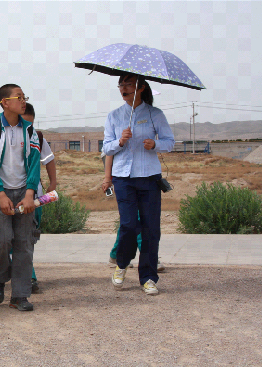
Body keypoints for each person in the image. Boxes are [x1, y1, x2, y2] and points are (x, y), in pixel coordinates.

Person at [103, 73, 175, 296]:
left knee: (151, 228)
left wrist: (155, 144)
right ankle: (122, 264)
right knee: (128, 225)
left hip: (149, 178)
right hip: (123, 178)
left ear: (141, 87)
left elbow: (170, 143)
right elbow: (106, 148)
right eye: (121, 85)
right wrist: (120, 141)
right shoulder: (114, 116)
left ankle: (149, 278)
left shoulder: (155, 114)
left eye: (128, 84)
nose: (123, 88)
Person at [0, 84, 40, 312]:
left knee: (24, 245)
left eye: (24, 97)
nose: (23, 101)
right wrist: (1, 193)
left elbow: (35, 162)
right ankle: (0, 277)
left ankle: (20, 296)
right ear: (5, 103)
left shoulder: (29, 130)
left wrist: (29, 193)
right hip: (0, 195)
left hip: (24, 194)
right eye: (19, 97)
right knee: (3, 241)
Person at [101, 153, 165, 272]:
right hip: (121, 167)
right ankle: (150, 260)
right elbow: (108, 149)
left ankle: (115, 255)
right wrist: (107, 178)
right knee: (134, 220)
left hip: (142, 171)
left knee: (130, 221)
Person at [22, 102, 57, 293]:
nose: (27, 130)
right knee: (11, 238)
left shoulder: (37, 137)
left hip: (35, 198)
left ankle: (29, 275)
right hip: (11, 196)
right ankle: (24, 274)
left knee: (29, 238)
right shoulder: (3, 135)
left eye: (30, 125)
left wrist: (52, 184)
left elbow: (49, 159)